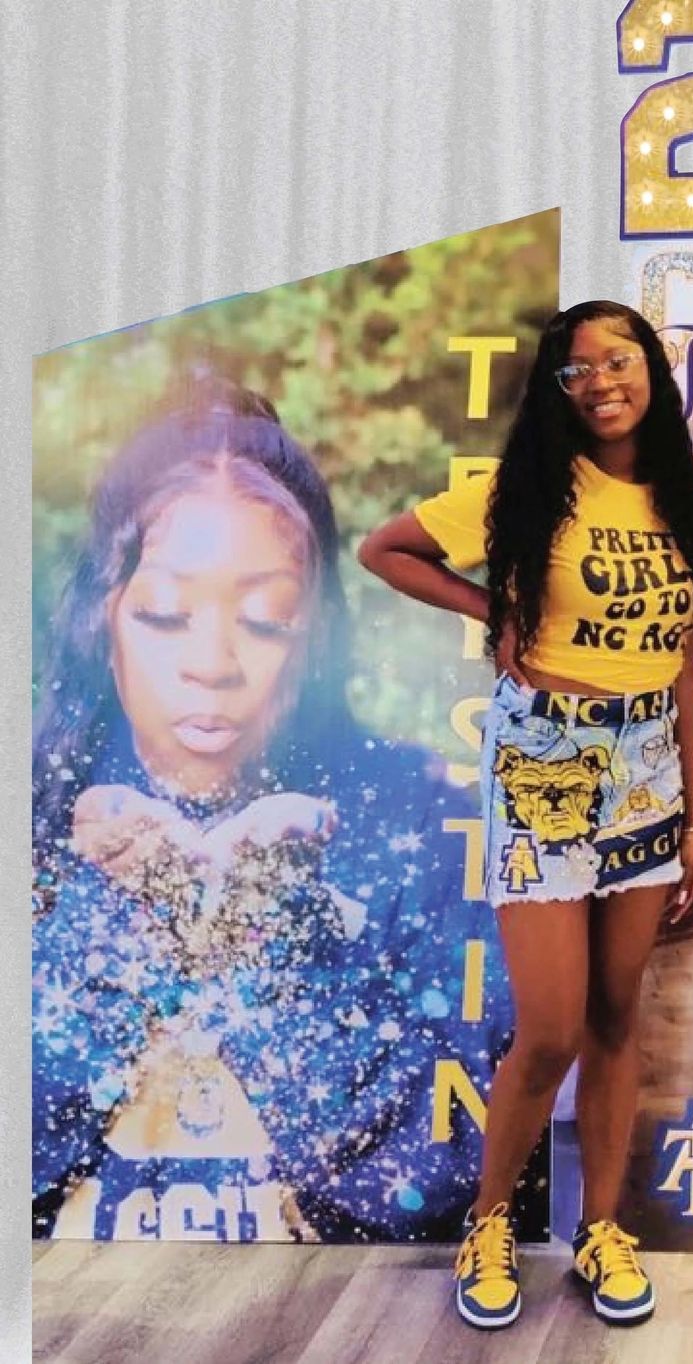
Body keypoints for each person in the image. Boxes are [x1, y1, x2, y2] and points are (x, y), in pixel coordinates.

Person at [32, 381, 490, 1244]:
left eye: (266, 620)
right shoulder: (32, 805)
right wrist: (125, 926)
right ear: (104, 619)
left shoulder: (419, 816)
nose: (212, 663)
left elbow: (442, 1178)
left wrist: (275, 930)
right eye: (166, 614)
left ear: (317, 637)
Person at [359, 301, 693, 1329]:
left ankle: (601, 1230)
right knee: (555, 1025)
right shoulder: (527, 487)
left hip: (648, 764)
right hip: (545, 759)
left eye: (620, 359)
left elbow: (690, 670)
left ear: (650, 368)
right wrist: (495, 609)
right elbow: (385, 549)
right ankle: (488, 1223)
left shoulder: (691, 501)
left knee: (617, 1016)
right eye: (579, 369)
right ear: (558, 388)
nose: (602, 380)